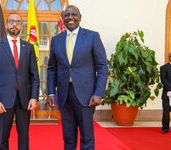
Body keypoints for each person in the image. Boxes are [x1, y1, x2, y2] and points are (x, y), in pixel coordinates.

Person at [47, 5, 108, 150]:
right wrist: (50, 91)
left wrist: (98, 93)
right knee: (68, 136)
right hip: (64, 95)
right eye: (67, 15)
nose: (70, 17)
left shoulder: (92, 36)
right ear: (63, 18)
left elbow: (102, 66)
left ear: (80, 17)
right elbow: (52, 68)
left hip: (86, 95)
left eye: (73, 14)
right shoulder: (56, 40)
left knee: (87, 136)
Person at [0, 13, 39, 150]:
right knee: (3, 138)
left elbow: (34, 75)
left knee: (24, 138)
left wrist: (34, 97)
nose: (14, 24)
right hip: (3, 101)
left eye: (17, 22)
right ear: (6, 25)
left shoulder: (28, 47)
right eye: (11, 21)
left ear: (21, 26)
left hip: (24, 100)